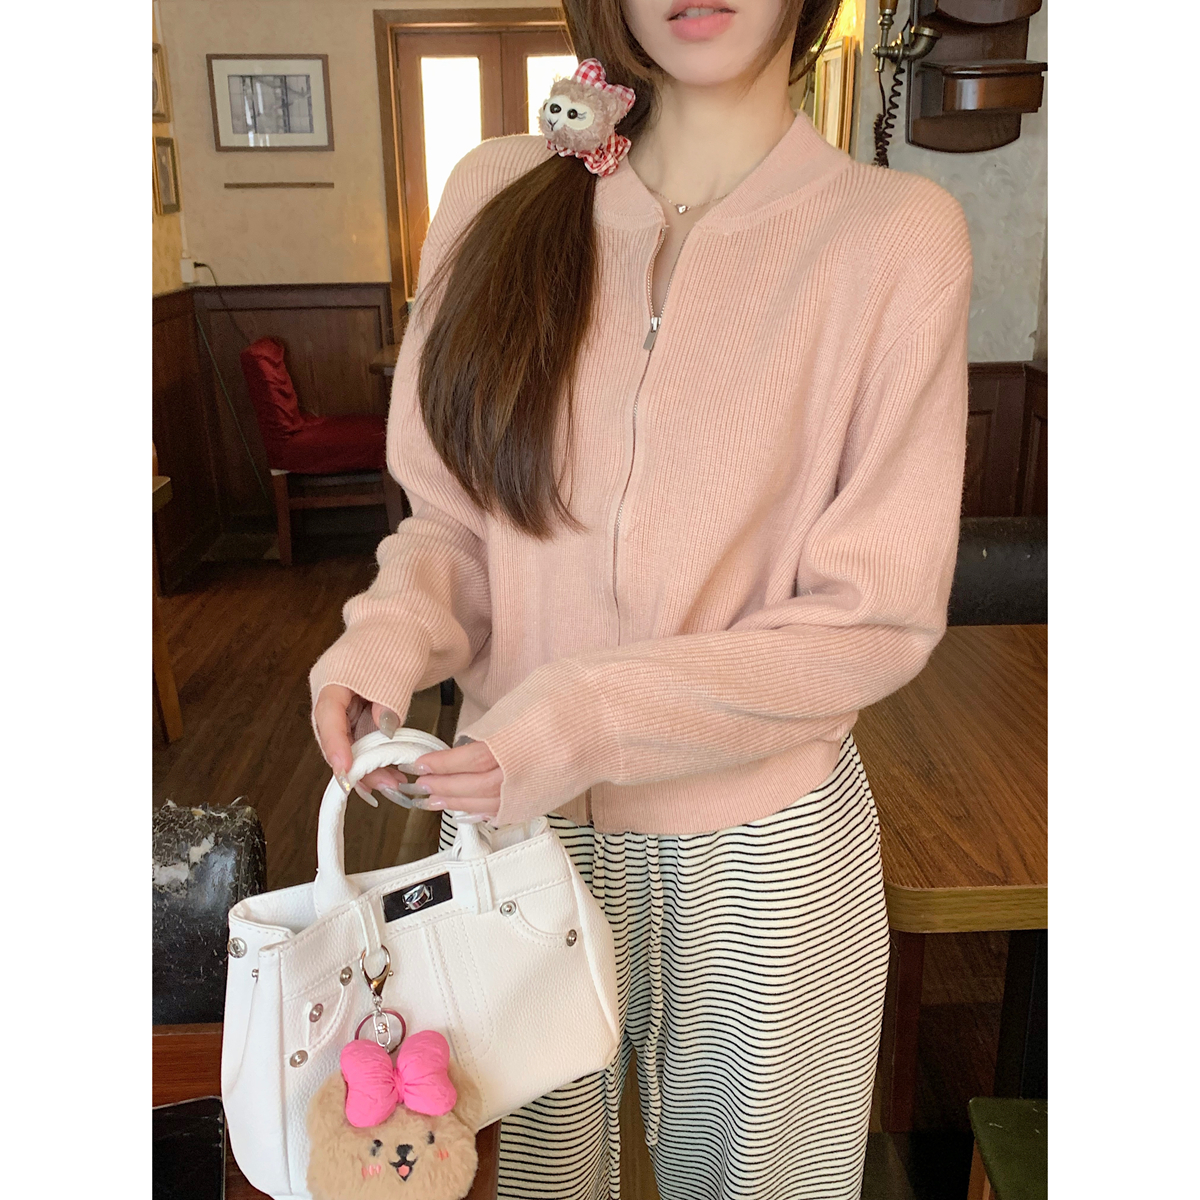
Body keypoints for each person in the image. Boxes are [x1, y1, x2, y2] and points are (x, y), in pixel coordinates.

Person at [310, 1, 971, 1196]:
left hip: (765, 850)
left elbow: (871, 617)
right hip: (511, 833)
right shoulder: (499, 192)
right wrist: (391, 637)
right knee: (517, 1181)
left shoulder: (894, 235)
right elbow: (452, 518)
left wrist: (580, 716)